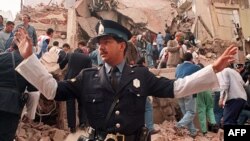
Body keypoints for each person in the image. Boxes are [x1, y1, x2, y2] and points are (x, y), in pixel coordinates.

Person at [15, 20, 237, 141]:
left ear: (122, 45)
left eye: (107, 41)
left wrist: (213, 69)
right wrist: (30, 59)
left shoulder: (141, 75)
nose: (100, 46)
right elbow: (52, 90)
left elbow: (176, 88)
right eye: (98, 42)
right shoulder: (87, 77)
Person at [0, 41, 37, 141]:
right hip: (11, 106)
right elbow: (33, 92)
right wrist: (29, 114)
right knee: (5, 137)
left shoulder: (2, 57)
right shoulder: (29, 64)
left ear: (12, 47)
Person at [59, 41, 92, 133]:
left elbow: (61, 64)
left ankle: (72, 127)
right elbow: (88, 72)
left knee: (70, 104)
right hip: (82, 82)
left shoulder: (70, 54)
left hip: (70, 81)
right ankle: (82, 123)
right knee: (82, 104)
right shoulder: (87, 58)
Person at [175, 52, 200, 137]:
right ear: (191, 59)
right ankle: (179, 125)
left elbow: (176, 76)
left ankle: (192, 131)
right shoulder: (195, 67)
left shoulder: (178, 67)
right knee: (191, 112)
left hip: (178, 90)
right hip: (189, 90)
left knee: (186, 113)